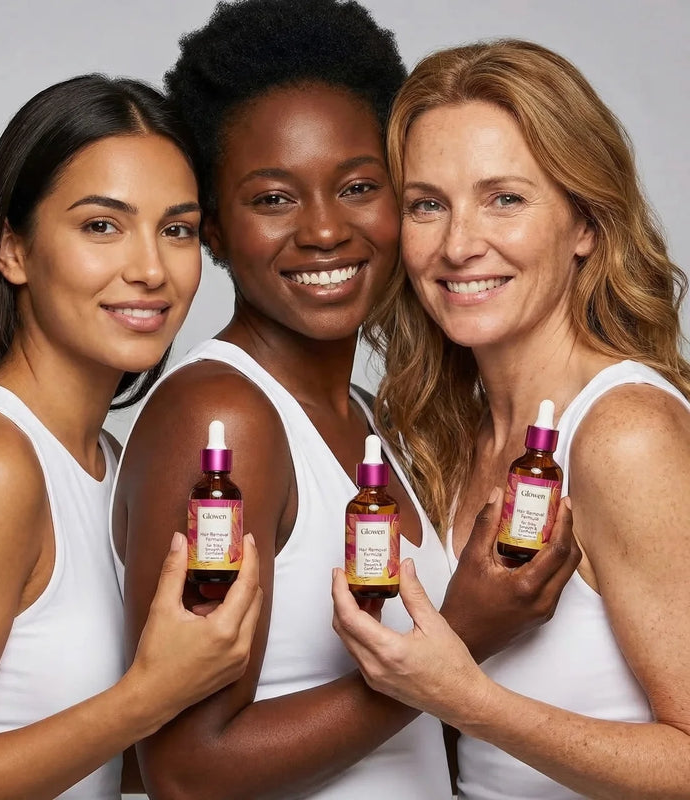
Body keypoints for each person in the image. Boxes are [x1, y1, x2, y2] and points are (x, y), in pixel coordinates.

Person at [111, 6, 579, 799]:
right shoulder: (222, 418)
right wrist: (460, 637)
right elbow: (185, 771)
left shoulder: (374, 419)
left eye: (359, 187)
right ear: (214, 230)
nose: (325, 230)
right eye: (273, 199)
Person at [333, 39, 690, 799]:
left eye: (505, 198)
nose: (459, 246)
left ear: (585, 223)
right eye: (428, 205)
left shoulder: (624, 433)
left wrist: (465, 699)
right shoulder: (451, 438)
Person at [0, 74, 262, 800]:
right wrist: (151, 695)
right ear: (13, 250)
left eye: (177, 230)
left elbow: (77, 753)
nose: (150, 269)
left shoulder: (112, 465)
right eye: (101, 226)